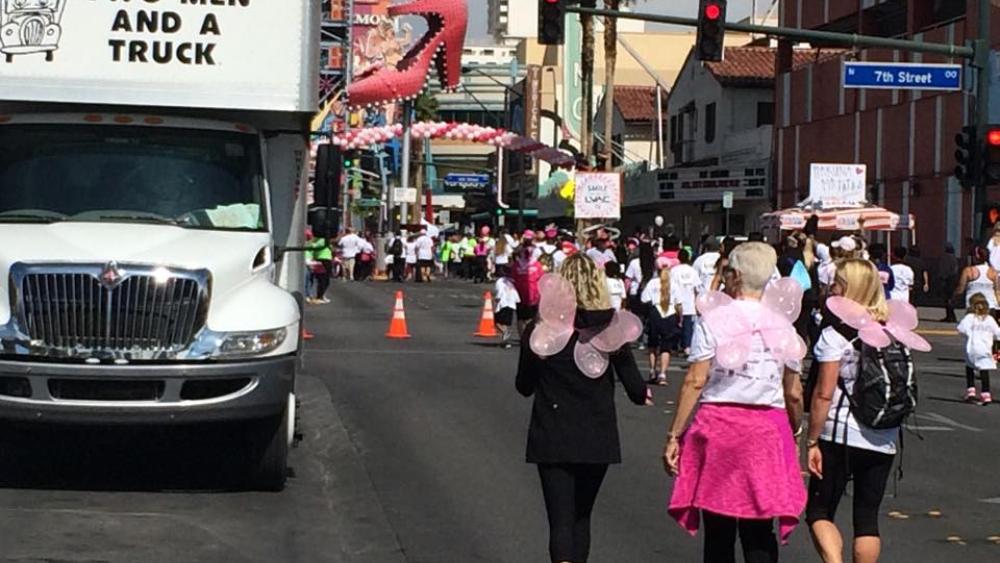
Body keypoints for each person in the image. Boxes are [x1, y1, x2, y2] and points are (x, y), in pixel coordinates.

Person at [664, 242, 807, 563]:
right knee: (759, 524)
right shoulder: (783, 325)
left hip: (719, 425)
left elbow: (695, 380)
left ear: (736, 276)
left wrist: (674, 434)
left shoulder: (715, 319)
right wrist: (795, 432)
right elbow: (794, 392)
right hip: (766, 427)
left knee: (719, 525)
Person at [516, 253, 649, 563]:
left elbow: (523, 386)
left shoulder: (541, 329)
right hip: (596, 432)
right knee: (581, 516)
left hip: (552, 430)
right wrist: (642, 394)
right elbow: (636, 388)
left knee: (560, 519)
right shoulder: (609, 329)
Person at [805, 259, 901, 563]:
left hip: (840, 433)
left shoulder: (836, 335)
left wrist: (812, 440)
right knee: (867, 518)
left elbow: (823, 393)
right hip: (883, 434)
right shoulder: (892, 333)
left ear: (845, 290)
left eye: (836, 284)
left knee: (820, 511)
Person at [642, 264, 681, 385]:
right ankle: (663, 374)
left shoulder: (652, 283)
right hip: (670, 313)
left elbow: (644, 299)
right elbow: (678, 303)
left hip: (656, 312)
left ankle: (653, 370)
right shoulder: (674, 285)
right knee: (666, 346)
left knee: (653, 344)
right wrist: (680, 318)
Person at [957, 292, 998, 405]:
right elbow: (998, 334)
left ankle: (971, 390)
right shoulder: (989, 319)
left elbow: (961, 329)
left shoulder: (969, 318)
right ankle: (986, 394)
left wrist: (969, 334)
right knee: (984, 370)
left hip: (972, 348)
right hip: (985, 349)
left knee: (969, 367)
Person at [954, 246, 1000, 320]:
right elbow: (997, 291)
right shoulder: (993, 272)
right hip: (990, 305)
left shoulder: (968, 271)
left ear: (977, 256)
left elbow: (960, 289)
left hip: (972, 305)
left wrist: (954, 297)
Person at [670, 249, 700, 354]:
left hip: (676, 303)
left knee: (675, 326)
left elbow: (671, 287)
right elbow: (696, 289)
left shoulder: (674, 270)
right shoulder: (692, 271)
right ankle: (687, 346)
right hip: (690, 303)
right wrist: (697, 303)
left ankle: (674, 346)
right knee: (688, 327)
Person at [513, 239, 544, 336]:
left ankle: (524, 337)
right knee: (527, 318)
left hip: (528, 295)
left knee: (522, 318)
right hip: (528, 295)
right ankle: (526, 337)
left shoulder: (518, 265)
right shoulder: (536, 265)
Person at [494, 265, 520, 349]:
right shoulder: (512, 281)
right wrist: (517, 300)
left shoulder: (500, 281)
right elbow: (515, 292)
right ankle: (504, 341)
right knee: (505, 323)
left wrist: (497, 299)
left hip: (503, 303)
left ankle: (505, 333)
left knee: (497, 322)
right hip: (511, 303)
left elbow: (500, 292)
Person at [307, 232, 333, 303]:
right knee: (324, 279)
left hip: (320, 258)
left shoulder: (315, 239)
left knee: (322, 279)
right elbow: (315, 246)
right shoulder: (322, 239)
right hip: (325, 259)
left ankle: (321, 295)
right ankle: (320, 296)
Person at [938, 243, 960, 322]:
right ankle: (950, 316)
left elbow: (943, 270)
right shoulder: (954, 258)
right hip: (953, 281)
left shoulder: (945, 258)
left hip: (947, 281)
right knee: (950, 299)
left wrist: (942, 278)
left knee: (947, 299)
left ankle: (950, 316)